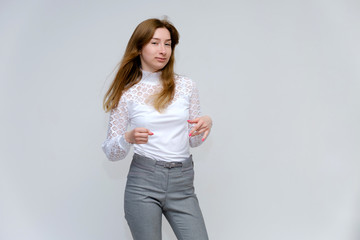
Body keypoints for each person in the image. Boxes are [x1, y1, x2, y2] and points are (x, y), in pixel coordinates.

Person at [102, 18, 212, 240]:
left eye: (168, 44)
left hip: (183, 182)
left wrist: (206, 123)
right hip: (144, 182)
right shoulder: (127, 93)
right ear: (139, 47)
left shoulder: (186, 86)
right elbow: (112, 153)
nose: (163, 50)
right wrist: (128, 138)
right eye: (155, 43)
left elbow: (194, 141)